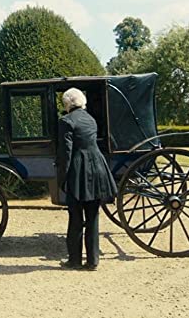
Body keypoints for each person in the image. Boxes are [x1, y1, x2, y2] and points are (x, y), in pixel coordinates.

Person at [56, 87, 117, 271]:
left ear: (67, 103)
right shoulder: (90, 119)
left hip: (77, 170)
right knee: (93, 217)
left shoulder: (66, 121)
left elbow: (66, 152)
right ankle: (93, 261)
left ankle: (74, 260)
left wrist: (63, 179)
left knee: (75, 217)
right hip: (97, 168)